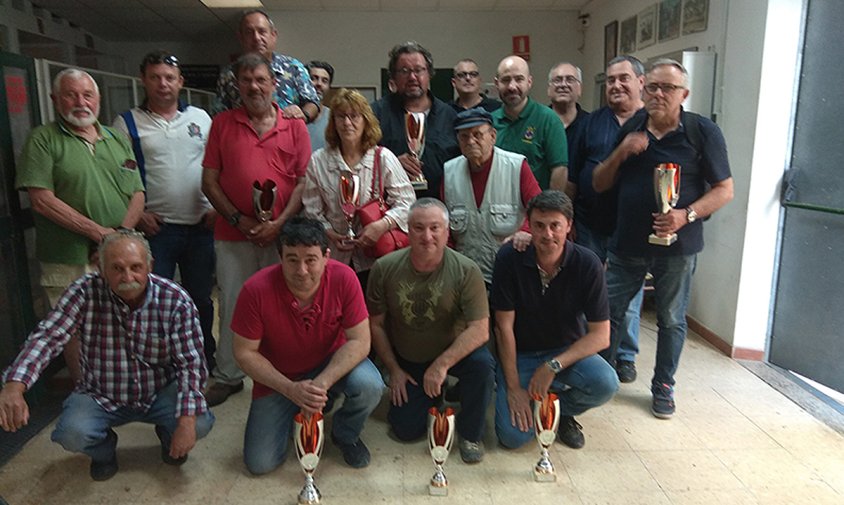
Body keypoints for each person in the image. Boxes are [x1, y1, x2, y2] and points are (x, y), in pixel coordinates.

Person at [0, 230, 214, 481]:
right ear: (101, 269)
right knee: (71, 434)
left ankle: (169, 436)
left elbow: (191, 363)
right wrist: (15, 385)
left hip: (159, 390)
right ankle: (104, 451)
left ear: (150, 266)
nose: (128, 277)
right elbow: (49, 336)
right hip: (101, 393)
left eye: (136, 267)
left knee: (199, 423)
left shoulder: (176, 300)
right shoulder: (83, 292)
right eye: (117, 268)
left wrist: (185, 423)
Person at [592, 59, 734, 418]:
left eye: (667, 88)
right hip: (626, 243)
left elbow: (724, 190)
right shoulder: (633, 127)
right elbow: (599, 182)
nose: (657, 94)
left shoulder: (702, 132)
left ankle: (663, 385)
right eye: (652, 86)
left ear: (683, 94)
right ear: (643, 87)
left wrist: (684, 216)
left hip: (678, 247)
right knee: (609, 311)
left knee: (671, 318)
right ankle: (599, 376)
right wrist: (621, 152)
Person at [16, 67, 145, 382]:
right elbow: (41, 199)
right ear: (54, 99)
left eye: (87, 94)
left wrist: (117, 241)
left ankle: (123, 385)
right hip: (69, 256)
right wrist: (100, 235)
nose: (80, 102)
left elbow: (137, 193)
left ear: (98, 99)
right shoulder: (43, 140)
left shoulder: (115, 139)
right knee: (72, 328)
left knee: (123, 317)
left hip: (117, 255)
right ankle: (86, 391)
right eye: (71, 95)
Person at [232, 217, 383, 474]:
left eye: (310, 260)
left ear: (326, 256)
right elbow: (244, 353)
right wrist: (290, 389)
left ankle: (345, 433)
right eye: (292, 259)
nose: (301, 270)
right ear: (280, 257)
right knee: (260, 464)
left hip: (330, 364)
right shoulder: (255, 290)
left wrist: (322, 384)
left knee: (370, 385)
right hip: (280, 376)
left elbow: (360, 341)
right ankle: (302, 408)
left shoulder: (345, 278)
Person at [202, 53, 311, 407]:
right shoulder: (222, 123)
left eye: (261, 80)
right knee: (233, 304)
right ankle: (229, 375)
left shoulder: (295, 126)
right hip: (233, 234)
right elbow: (210, 181)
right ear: (237, 86)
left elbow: (302, 182)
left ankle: (284, 372)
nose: (254, 87)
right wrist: (237, 219)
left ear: (274, 84)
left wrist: (279, 223)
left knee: (285, 304)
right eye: (246, 80)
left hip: (283, 236)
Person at [113, 50, 217, 371]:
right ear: (143, 80)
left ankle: (202, 358)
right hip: (156, 231)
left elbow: (216, 167)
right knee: (151, 301)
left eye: (169, 77)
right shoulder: (126, 123)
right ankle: (159, 363)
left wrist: (215, 208)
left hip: (201, 227)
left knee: (200, 299)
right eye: (155, 77)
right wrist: (138, 215)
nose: (163, 84)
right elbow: (117, 177)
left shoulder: (200, 118)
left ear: (180, 82)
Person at [367, 198, 493, 463]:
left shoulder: (467, 271)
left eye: (435, 228)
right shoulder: (384, 268)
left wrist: (442, 364)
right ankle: (433, 394)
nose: (427, 236)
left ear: (447, 232)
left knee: (482, 365)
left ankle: (471, 434)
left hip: (453, 353)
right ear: (407, 230)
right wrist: (393, 369)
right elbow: (375, 325)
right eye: (418, 228)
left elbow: (480, 330)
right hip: (409, 358)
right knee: (405, 430)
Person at [491, 191, 618, 450]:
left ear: (569, 226)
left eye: (555, 226)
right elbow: (503, 327)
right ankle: (532, 401)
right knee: (513, 438)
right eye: (539, 226)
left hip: (565, 352)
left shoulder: (588, 264)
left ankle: (558, 411)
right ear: (529, 225)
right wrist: (514, 389)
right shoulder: (509, 259)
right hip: (520, 355)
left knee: (606, 383)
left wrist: (553, 366)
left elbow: (600, 335)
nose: (547, 234)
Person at [570, 56, 647, 383]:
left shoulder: (651, 121)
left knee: (628, 296)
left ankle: (625, 355)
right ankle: (592, 350)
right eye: (610, 80)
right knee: (590, 289)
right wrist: (568, 215)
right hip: (590, 221)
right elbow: (574, 173)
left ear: (640, 82)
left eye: (623, 79)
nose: (616, 85)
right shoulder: (592, 122)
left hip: (632, 227)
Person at [303, 88, 415, 289]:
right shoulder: (318, 161)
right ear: (333, 122)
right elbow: (312, 211)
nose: (347, 123)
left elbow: (408, 203)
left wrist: (382, 225)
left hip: (377, 260)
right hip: (334, 258)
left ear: (366, 120)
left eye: (354, 116)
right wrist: (330, 233)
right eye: (340, 116)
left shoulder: (383, 158)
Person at [441, 108, 541, 285]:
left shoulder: (516, 166)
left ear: (493, 136)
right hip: (464, 276)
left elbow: (540, 209)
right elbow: (442, 224)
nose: (471, 141)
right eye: (464, 136)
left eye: (477, 134)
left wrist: (526, 231)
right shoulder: (449, 172)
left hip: (510, 274)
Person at [371, 41, 459, 199]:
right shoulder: (374, 115)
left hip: (439, 210)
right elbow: (360, 160)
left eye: (419, 70)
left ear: (429, 74)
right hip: (390, 210)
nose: (412, 77)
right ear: (394, 77)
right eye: (404, 71)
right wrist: (391, 165)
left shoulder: (450, 117)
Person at [213, 8, 320, 124]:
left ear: (273, 35)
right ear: (241, 38)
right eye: (249, 32)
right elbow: (219, 115)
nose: (256, 38)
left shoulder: (294, 68)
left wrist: (303, 114)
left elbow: (313, 102)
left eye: (262, 31)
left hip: (288, 137)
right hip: (243, 138)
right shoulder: (229, 75)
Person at [492, 56, 568, 192]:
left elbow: (559, 169)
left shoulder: (548, 120)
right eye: (506, 80)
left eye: (519, 79)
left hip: (535, 207)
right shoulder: (489, 122)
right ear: (497, 83)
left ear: (529, 82)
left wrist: (549, 209)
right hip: (496, 207)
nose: (512, 86)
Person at [547, 62, 589, 199]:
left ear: (580, 89)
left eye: (570, 79)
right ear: (549, 89)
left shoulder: (592, 124)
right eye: (557, 80)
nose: (563, 84)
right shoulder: (537, 122)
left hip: (584, 211)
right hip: (543, 208)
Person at [306, 60, 334, 152]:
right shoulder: (292, 115)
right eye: (314, 78)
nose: (319, 84)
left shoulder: (333, 118)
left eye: (324, 81)